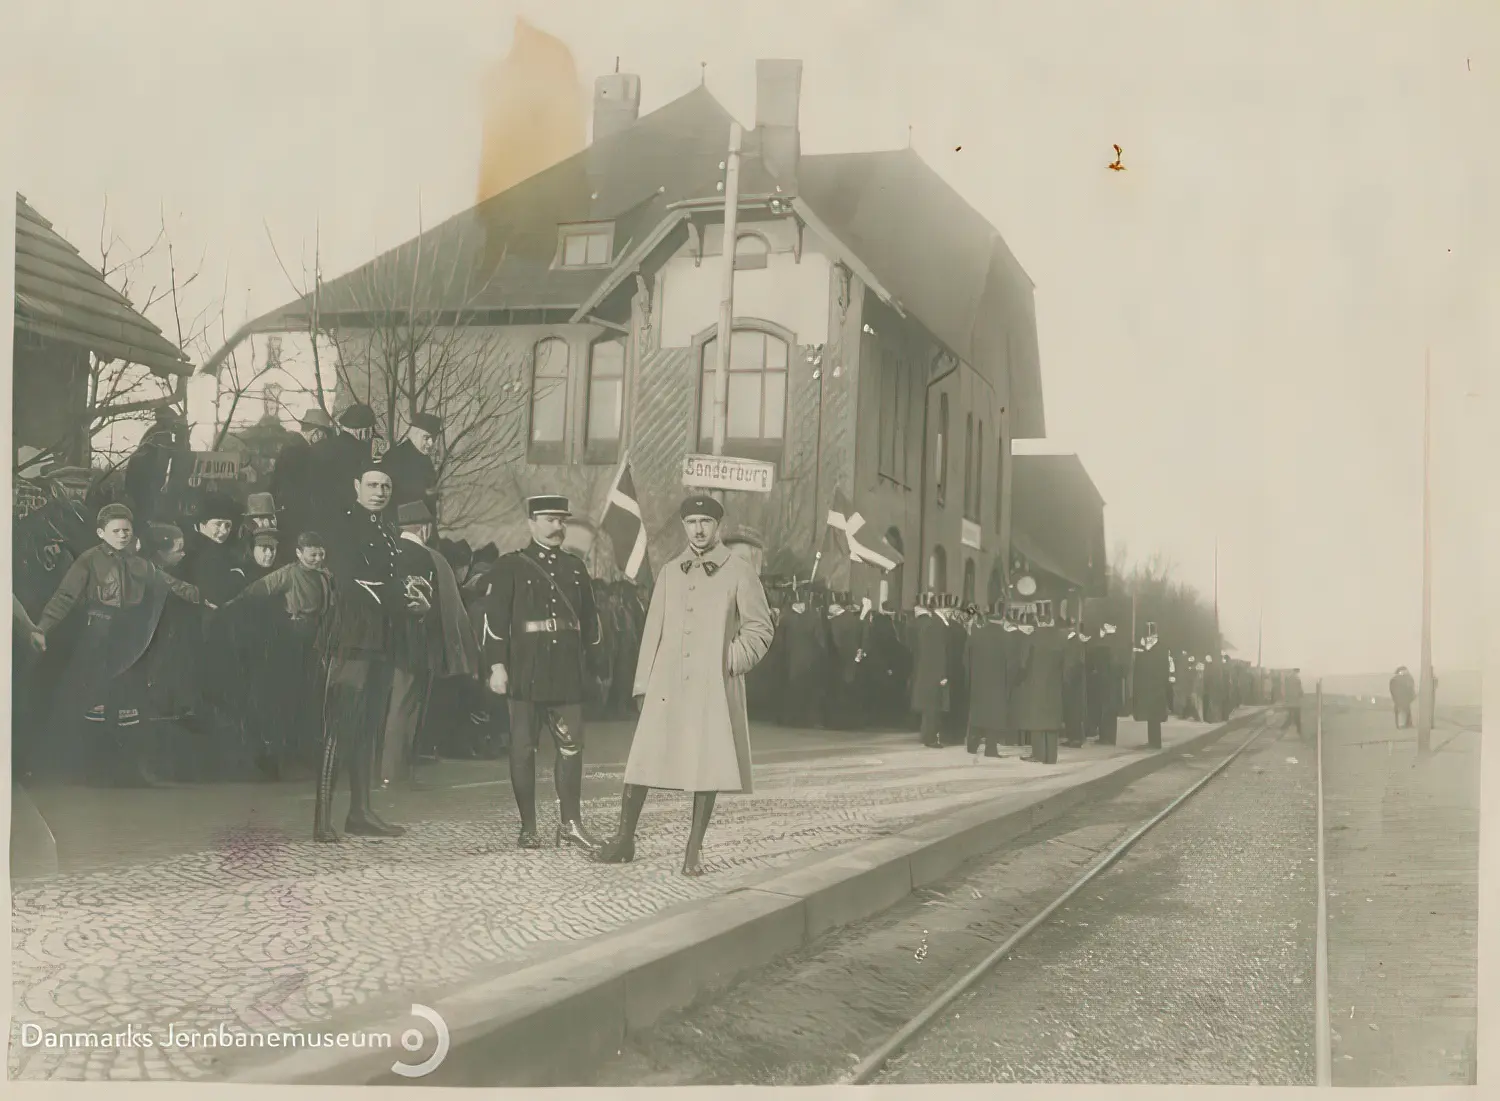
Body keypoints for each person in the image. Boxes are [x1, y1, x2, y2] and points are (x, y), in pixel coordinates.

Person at [592, 495, 774, 875]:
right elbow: (652, 631)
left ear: (717, 526)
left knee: (705, 763)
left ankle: (694, 848)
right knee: (643, 759)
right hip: (667, 682)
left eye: (706, 521)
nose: (699, 529)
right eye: (692, 522)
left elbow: (761, 629)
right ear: (684, 526)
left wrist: (730, 660)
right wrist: (643, 685)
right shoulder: (670, 572)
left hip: (712, 686)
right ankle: (625, 837)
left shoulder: (739, 571)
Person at [35, 503, 206, 782]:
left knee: (128, 702)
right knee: (94, 700)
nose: (123, 535)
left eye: (127, 530)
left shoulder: (141, 564)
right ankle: (88, 770)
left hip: (129, 639)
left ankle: (127, 770)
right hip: (98, 635)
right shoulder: (88, 561)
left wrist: (202, 596)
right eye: (116, 531)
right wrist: (42, 628)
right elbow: (65, 597)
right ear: (101, 533)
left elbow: (168, 583)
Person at [481, 495, 605, 851]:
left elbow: (590, 620)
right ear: (531, 523)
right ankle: (528, 827)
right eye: (549, 520)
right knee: (522, 749)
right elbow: (495, 622)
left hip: (565, 671)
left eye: (561, 521)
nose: (557, 527)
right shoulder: (511, 566)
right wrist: (497, 666)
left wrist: (597, 666)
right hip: (525, 669)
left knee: (571, 747)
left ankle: (570, 824)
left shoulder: (575, 568)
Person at [316, 465, 416, 841]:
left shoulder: (386, 529)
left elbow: (390, 577)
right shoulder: (343, 526)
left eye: (386, 485)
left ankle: (360, 812)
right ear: (356, 486)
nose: (380, 491)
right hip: (353, 633)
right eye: (372, 484)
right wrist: (392, 596)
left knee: (369, 724)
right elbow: (348, 579)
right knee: (340, 724)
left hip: (381, 634)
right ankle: (321, 819)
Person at [380, 500, 479, 787]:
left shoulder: (387, 553)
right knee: (406, 708)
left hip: (386, 643)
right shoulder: (426, 558)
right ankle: (396, 772)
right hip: (415, 645)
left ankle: (390, 771)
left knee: (393, 706)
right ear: (424, 528)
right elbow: (432, 607)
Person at [381, 412, 442, 519]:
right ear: (415, 434)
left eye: (433, 439)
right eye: (426, 438)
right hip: (398, 523)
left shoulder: (426, 461)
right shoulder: (392, 457)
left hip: (421, 524)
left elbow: (430, 497)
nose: (431, 444)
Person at [1131, 622, 1171, 750]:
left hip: (1157, 686)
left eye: (1150, 637)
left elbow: (1162, 667)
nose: (1148, 640)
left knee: (1155, 716)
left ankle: (1156, 742)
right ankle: (1152, 741)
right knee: (1150, 715)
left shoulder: (1161, 649)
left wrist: (1146, 651)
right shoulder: (1147, 649)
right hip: (1148, 686)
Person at [1282, 668, 1305, 735]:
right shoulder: (1297, 678)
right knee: (1297, 715)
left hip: (1289, 700)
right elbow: (1299, 689)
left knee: (1290, 714)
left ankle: (1285, 727)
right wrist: (1302, 695)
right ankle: (1298, 729)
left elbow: (1285, 688)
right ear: (1297, 671)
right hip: (1295, 700)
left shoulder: (1288, 677)